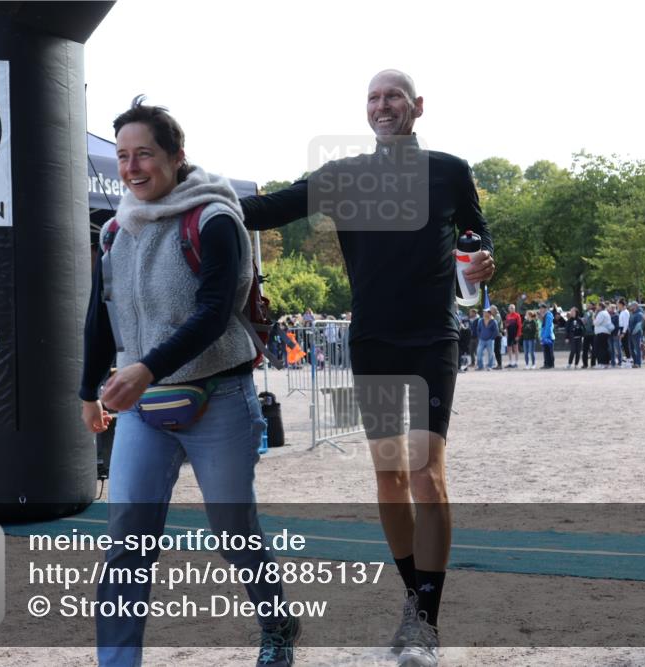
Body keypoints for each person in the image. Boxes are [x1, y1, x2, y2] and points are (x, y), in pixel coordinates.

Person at [240, 69, 495, 666]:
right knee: (389, 476)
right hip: (374, 340)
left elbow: (478, 228)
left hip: (433, 337)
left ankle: (425, 625)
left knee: (427, 472)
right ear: (367, 111)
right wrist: (190, 192)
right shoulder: (344, 175)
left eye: (394, 96)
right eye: (374, 98)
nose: (383, 106)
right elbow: (268, 208)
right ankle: (415, 598)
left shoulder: (449, 170)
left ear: (418, 107)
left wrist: (481, 258)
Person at [79, 97, 299, 667]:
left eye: (144, 154)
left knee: (232, 530)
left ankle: (277, 623)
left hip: (218, 397)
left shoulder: (215, 218)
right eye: (124, 157)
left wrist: (146, 366)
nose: (131, 168)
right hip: (142, 406)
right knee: (127, 540)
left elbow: (211, 313)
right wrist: (86, 392)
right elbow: (100, 314)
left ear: (177, 156)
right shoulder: (113, 231)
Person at [593, 301, 613, 368]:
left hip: (601, 333)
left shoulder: (601, 313)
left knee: (599, 348)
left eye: (598, 306)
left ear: (600, 307)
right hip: (605, 332)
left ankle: (601, 363)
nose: (596, 307)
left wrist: (593, 319)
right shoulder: (606, 313)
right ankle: (606, 363)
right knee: (605, 348)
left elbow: (597, 323)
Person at [627, 301, 644, 368]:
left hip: (636, 334)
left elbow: (639, 325)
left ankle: (638, 363)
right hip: (631, 334)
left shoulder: (639, 314)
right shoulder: (632, 313)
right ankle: (635, 362)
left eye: (631, 306)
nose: (630, 307)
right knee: (632, 349)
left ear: (635, 306)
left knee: (637, 349)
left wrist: (633, 332)